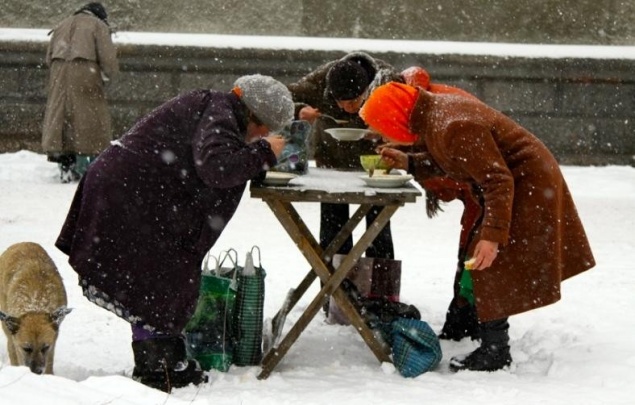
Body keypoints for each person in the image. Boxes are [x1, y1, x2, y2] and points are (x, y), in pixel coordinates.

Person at [54, 74, 294, 391]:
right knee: (157, 278)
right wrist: (263, 152)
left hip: (131, 194)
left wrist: (257, 150)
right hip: (128, 197)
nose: (261, 135)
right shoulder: (220, 112)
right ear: (254, 114)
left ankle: (164, 361)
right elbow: (216, 167)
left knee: (158, 279)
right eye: (264, 128)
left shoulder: (217, 108)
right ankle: (157, 368)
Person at [359, 82, 596, 372]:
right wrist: (410, 162)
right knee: (480, 254)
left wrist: (493, 237)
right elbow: (457, 161)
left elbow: (497, 179)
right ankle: (469, 323)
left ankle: (496, 350)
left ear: (394, 119)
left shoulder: (452, 125)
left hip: (527, 183)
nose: (381, 136)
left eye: (380, 127)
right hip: (515, 181)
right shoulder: (434, 116)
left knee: (488, 260)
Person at [42, 2, 119, 183]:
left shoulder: (62, 24)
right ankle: (86, 166)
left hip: (59, 75)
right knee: (89, 119)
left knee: (61, 118)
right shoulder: (98, 26)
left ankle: (64, 163)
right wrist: (109, 74)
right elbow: (108, 59)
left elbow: (48, 58)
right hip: (85, 75)